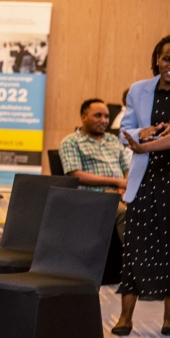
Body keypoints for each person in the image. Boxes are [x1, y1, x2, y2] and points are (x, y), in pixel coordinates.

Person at [113, 34, 170, 337]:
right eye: (167, 58)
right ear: (157, 58)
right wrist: (145, 132)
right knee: (135, 245)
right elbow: (123, 132)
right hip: (145, 178)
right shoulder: (138, 90)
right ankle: (125, 317)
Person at [59, 99, 130, 240]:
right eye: (98, 116)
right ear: (83, 117)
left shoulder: (113, 140)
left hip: (120, 194)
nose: (104, 121)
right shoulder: (71, 141)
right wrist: (117, 182)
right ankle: (133, 259)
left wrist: (123, 188)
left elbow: (128, 168)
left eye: (107, 116)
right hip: (92, 197)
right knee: (124, 212)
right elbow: (76, 175)